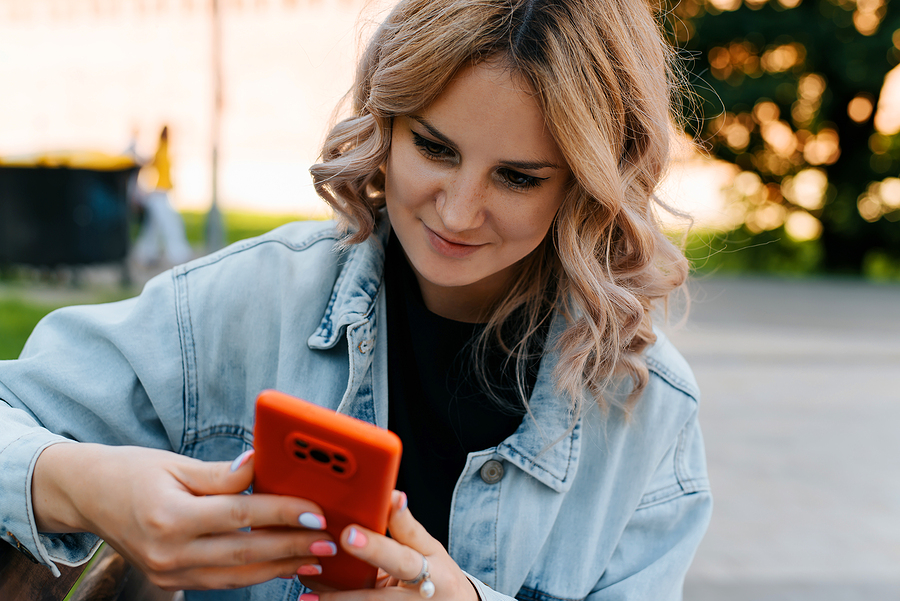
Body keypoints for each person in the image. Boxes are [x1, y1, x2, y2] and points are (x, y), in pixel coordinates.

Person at [0, 1, 712, 600]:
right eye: (435, 148)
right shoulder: (249, 300)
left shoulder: (649, 409)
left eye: (518, 178)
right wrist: (82, 484)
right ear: (386, 123)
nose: (459, 213)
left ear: (588, 185)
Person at [131, 125, 194, 266]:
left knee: (153, 227)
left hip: (163, 193)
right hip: (158, 194)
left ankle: (146, 253)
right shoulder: (160, 150)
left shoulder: (165, 149)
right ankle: (177, 254)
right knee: (170, 224)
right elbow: (149, 167)